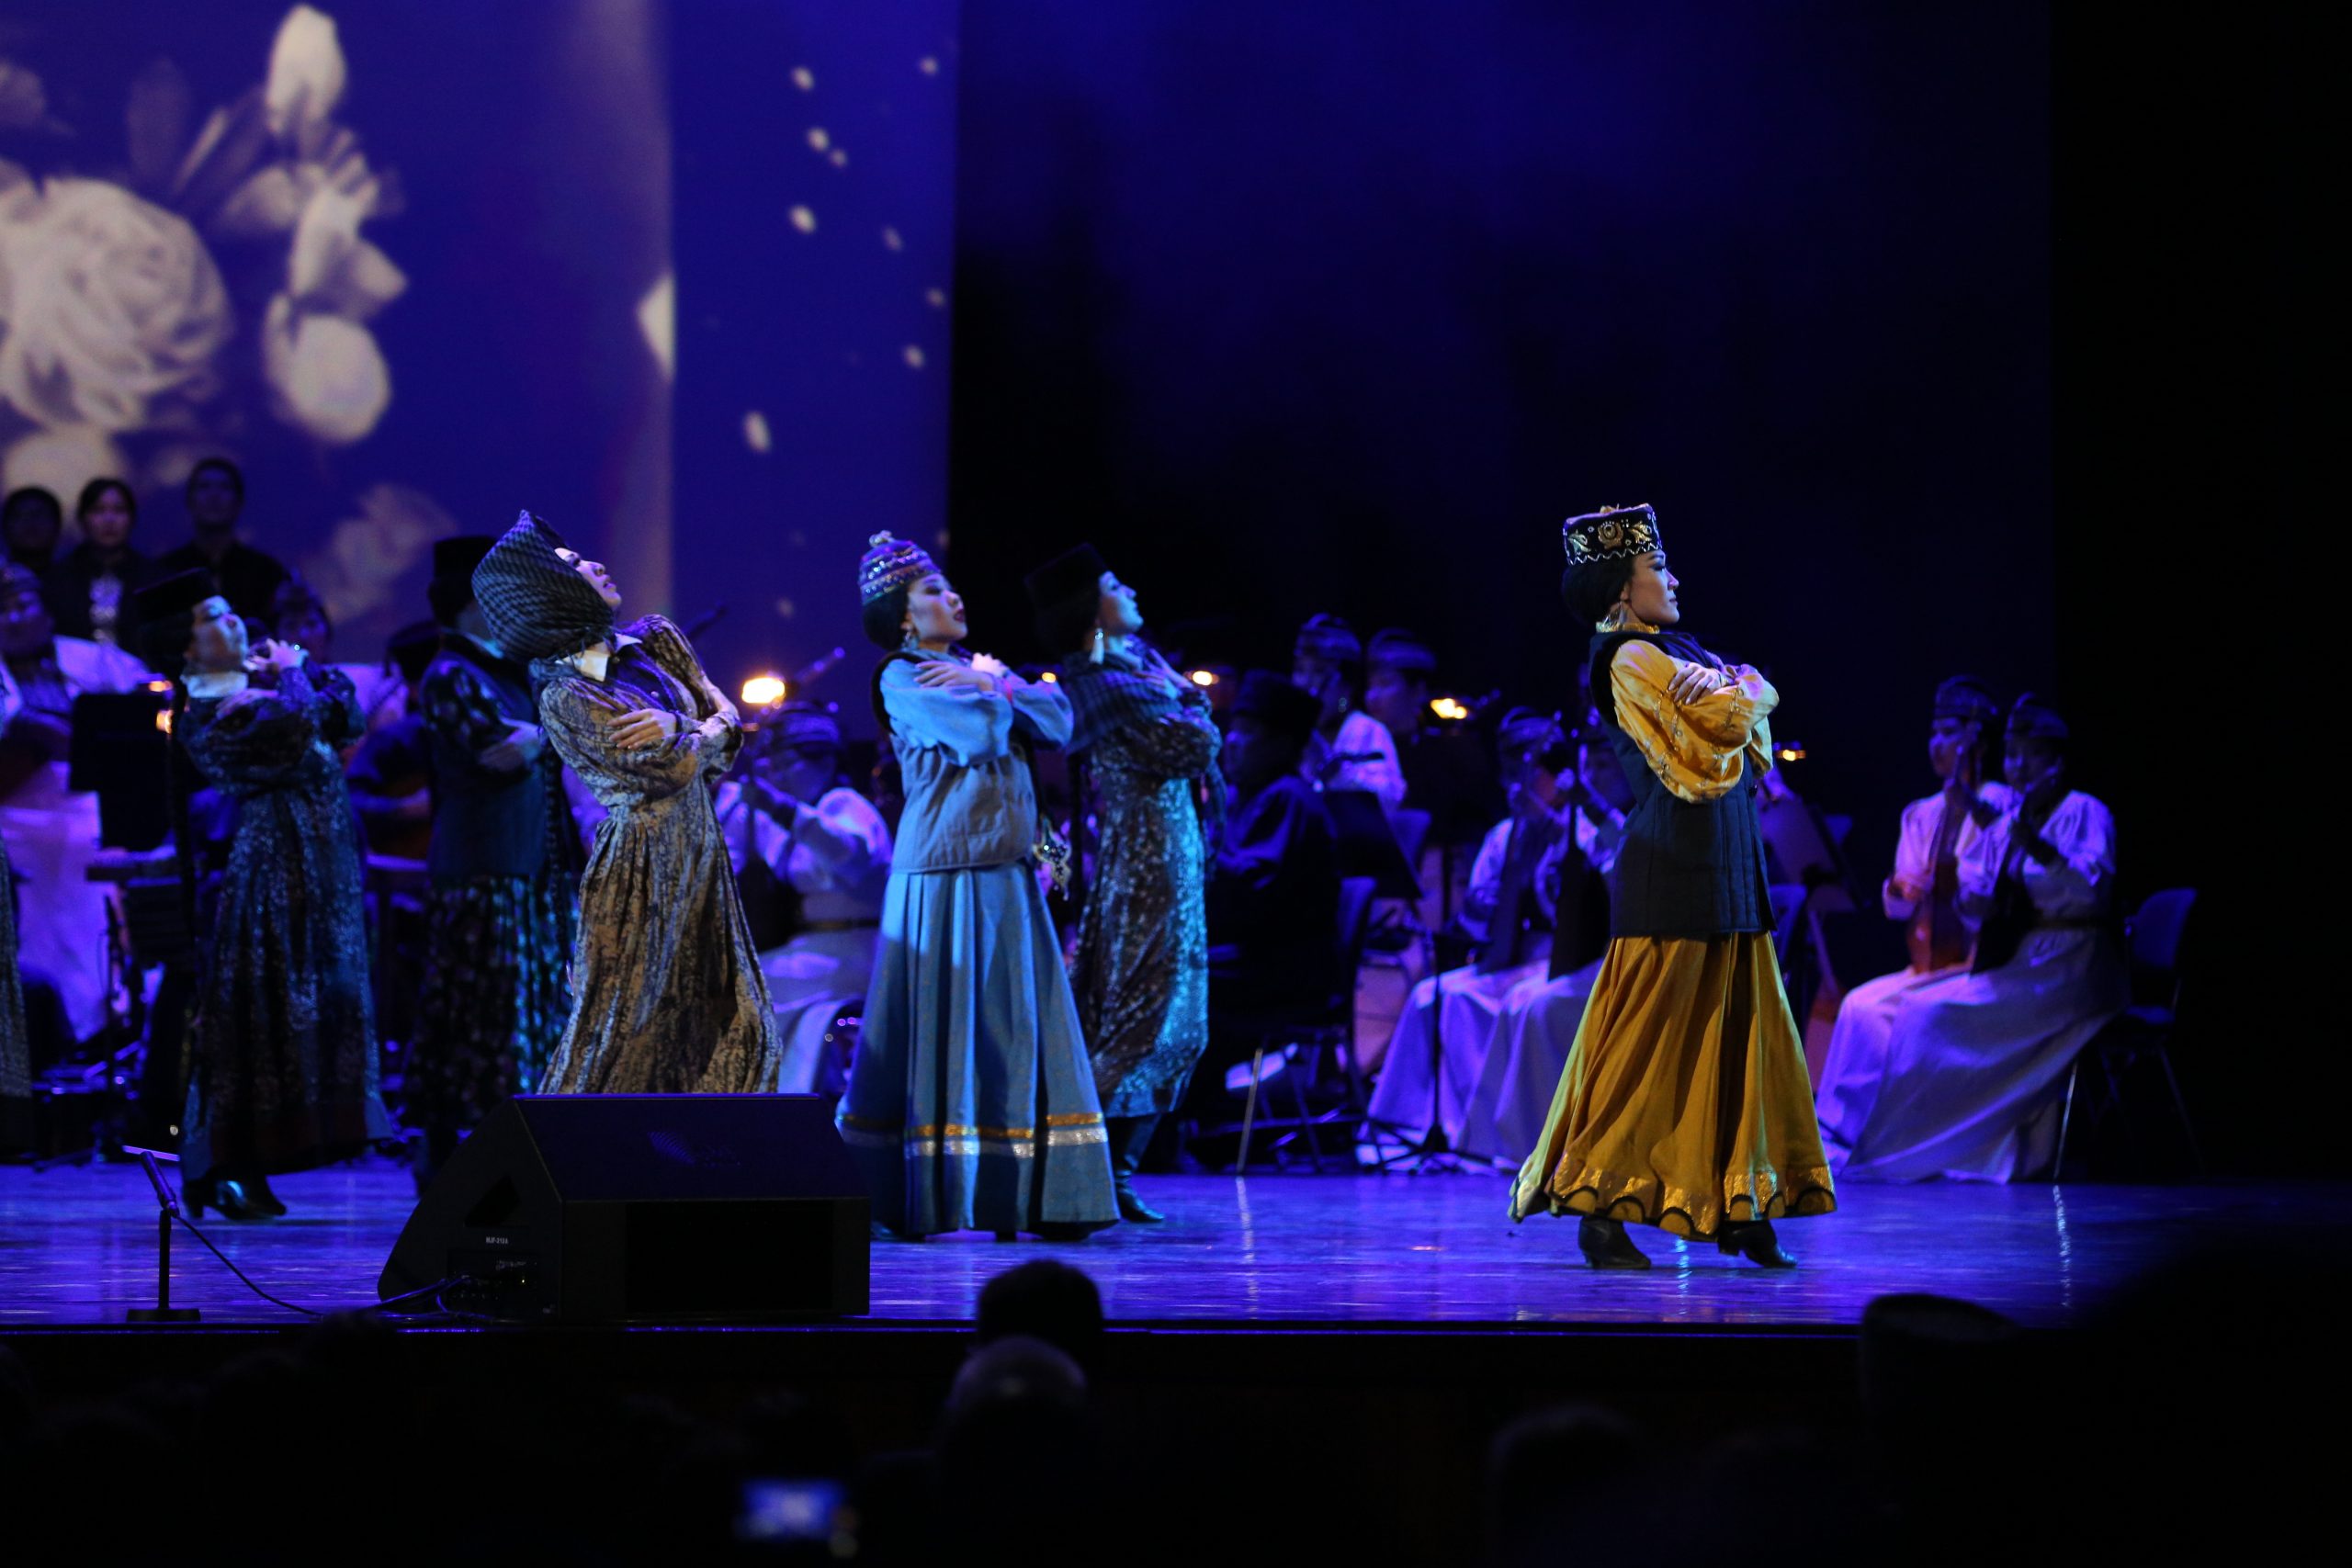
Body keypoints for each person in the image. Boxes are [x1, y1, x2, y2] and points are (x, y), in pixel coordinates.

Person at [1510, 504, 1833, 1269]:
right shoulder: (1627, 657)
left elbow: (1747, 736)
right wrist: (1750, 687)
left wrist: (1741, 696)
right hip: (1674, 867)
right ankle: (1596, 1204)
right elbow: (1719, 735)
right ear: (1621, 588)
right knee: (1651, 1047)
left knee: (1743, 1038)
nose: (1674, 578)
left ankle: (1742, 1205)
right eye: (1658, 567)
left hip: (1727, 861)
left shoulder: (1677, 650)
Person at [835, 532, 1116, 1240]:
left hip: (1004, 869)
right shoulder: (902, 678)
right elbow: (979, 735)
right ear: (904, 616)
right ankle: (926, 1192)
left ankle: (1036, 1195)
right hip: (944, 872)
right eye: (933, 591)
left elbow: (1060, 719)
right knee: (953, 1024)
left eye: (949, 586)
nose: (953, 597)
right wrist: (999, 691)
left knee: (1016, 1026)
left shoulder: (974, 669)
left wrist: (994, 683)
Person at [471, 511, 777, 1093]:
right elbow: (667, 770)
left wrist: (681, 725)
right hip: (641, 863)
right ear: (549, 591)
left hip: (701, 851)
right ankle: (578, 1146)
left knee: (736, 1021)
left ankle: (700, 1146)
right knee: (625, 1032)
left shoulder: (657, 640)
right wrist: (704, 732)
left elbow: (727, 725)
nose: (595, 564)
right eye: (573, 565)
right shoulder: (566, 694)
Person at [135, 570, 391, 1219]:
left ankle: (260, 1156)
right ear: (186, 645)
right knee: (259, 1016)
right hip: (275, 871)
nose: (233, 623)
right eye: (212, 618)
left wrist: (292, 676)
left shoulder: (265, 687)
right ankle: (222, 1163)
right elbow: (296, 730)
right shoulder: (203, 712)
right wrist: (293, 678)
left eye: (230, 611)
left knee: (320, 1007)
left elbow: (346, 715)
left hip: (326, 867)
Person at [1831, 695, 2127, 1182]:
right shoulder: (2012, 821)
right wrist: (1971, 902)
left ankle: (1965, 1146)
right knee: (1913, 1009)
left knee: (1930, 1016)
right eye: (2012, 756)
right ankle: (1926, 1141)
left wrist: (2037, 848)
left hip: (2074, 964)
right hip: (2028, 960)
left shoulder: (2084, 811)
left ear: (2056, 761)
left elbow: (2093, 888)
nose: (2018, 767)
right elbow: (1979, 890)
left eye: (2031, 756)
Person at [1026, 543, 1224, 1223]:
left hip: (1173, 862)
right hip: (1143, 867)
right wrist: (1194, 705)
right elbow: (1192, 746)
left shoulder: (1141, 669)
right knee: (1143, 1016)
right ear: (1090, 608)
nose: (1130, 589)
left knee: (1179, 1020)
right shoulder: (1102, 683)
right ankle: (1082, 1163)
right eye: (1114, 583)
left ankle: (1116, 1169)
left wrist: (1186, 702)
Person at [1365, 708, 1621, 1154]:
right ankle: (1414, 1129)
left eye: (1529, 774)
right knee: (1431, 996)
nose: (1517, 788)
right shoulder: (1506, 836)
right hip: (1516, 958)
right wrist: (1516, 870)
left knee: (1496, 1002)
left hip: (1567, 957)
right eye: (1509, 775)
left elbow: (1591, 915)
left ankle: (1491, 1137)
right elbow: (1487, 935)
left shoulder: (1585, 832)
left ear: (1559, 777)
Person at [404, 536, 578, 1181]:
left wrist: (539, 736)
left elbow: (534, 743)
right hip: (483, 872)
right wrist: (543, 735)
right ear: (473, 603)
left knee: (525, 1009)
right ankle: (461, 1148)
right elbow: (497, 752)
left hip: (529, 868)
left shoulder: (515, 671)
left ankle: (520, 1143)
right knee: (482, 1009)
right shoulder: (452, 674)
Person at [1814, 677, 2016, 1150]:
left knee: (1910, 1015)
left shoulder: (2000, 804)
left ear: (1975, 739)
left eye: (1949, 732)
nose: (1937, 744)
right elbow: (1897, 906)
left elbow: (1997, 883)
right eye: (1933, 732)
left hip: (1980, 963)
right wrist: (1900, 889)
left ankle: (1902, 1136)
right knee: (1857, 1006)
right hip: (1928, 962)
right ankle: (1846, 1131)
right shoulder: (1922, 813)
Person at [0, 562, 153, 1042]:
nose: (14, 618)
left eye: (23, 605)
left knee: (103, 871)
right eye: (1, 610)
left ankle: (105, 1020)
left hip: (88, 809)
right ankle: (43, 1027)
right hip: (13, 815)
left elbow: (146, 697)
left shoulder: (93, 660)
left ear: (46, 613)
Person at [714, 701, 890, 1093]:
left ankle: (771, 1098)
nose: (776, 774)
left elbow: (851, 857)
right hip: (814, 949)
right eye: (772, 765)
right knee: (727, 982)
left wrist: (784, 809)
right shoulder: (788, 820)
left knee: (741, 992)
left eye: (786, 764)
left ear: (824, 761)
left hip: (854, 952)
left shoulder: (844, 804)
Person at [1207, 671, 1340, 1014]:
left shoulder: (1289, 798)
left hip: (1279, 966)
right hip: (1246, 951)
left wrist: (1185, 846)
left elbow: (1250, 891)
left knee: (1167, 977)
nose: (1231, 741)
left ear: (1283, 745)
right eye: (1232, 728)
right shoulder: (1237, 795)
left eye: (1248, 731)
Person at [153, 459, 290, 629]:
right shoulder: (166, 572)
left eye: (224, 487)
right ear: (189, 500)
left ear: (239, 502)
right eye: (204, 487)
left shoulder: (267, 572)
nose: (214, 496)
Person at [1292, 614, 1405, 812]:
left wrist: (1333, 770)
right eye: (1300, 670)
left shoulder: (1368, 731)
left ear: (1346, 685)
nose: (1306, 683)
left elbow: (1388, 800)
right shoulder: (1288, 734)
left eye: (1319, 671)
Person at [268, 576, 405, 734]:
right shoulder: (267, 693)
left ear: (327, 629)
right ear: (275, 635)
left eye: (311, 624)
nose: (303, 635)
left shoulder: (366, 678)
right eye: (291, 626)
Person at [43, 479, 159, 651]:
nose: (109, 520)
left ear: (132, 518)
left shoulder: (154, 579)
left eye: (119, 510)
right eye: (98, 510)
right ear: (82, 519)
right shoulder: (56, 580)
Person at [1, 487, 62, 575]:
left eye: (39, 515)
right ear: (5, 525)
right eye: (20, 515)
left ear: (57, 524)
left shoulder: (76, 579)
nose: (30, 522)